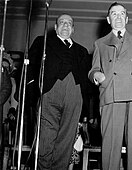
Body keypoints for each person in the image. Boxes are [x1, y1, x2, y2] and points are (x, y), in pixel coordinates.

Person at [88, 2, 132, 170]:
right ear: (108, 19)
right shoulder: (100, 43)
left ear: (127, 19)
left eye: (122, 14)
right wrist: (98, 76)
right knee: (110, 145)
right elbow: (93, 70)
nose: (118, 17)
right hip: (110, 94)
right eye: (114, 14)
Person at [27, 13, 91, 170]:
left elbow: (86, 81)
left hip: (74, 95)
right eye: (62, 22)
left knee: (67, 138)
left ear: (73, 29)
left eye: (69, 23)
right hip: (49, 92)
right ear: (55, 27)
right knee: (45, 138)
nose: (66, 25)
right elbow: (31, 70)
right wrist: (32, 94)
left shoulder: (82, 51)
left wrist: (87, 111)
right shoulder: (43, 43)